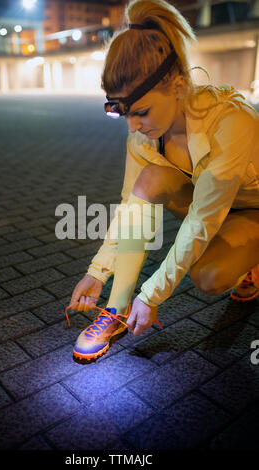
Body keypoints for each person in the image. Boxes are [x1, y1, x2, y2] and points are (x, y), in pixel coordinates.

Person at [65, 0, 259, 361]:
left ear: (178, 86)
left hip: (251, 208)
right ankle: (116, 310)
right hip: (213, 206)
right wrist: (98, 273)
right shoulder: (143, 135)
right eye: (122, 113)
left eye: (141, 112)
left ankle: (252, 259)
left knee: (209, 276)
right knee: (149, 178)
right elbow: (131, 208)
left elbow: (203, 220)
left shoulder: (233, 121)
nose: (132, 125)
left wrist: (151, 294)